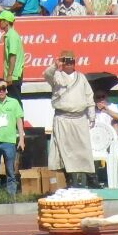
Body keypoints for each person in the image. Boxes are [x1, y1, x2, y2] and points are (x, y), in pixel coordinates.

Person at [45, 50, 96, 188]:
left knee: (83, 149)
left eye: (71, 61)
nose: (69, 64)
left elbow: (89, 96)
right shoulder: (56, 76)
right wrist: (55, 65)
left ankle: (91, 178)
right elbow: (47, 74)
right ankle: (70, 180)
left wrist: (92, 115)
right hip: (63, 118)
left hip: (79, 118)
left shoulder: (81, 77)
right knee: (65, 151)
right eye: (66, 61)